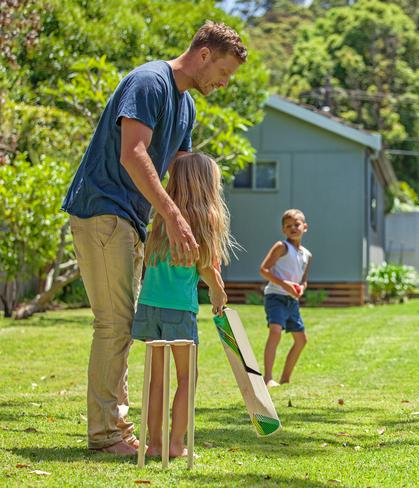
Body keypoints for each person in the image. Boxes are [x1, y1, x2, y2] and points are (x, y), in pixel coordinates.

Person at [61, 21, 247, 455]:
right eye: (224, 72)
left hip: (131, 219)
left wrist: (205, 235)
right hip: (103, 209)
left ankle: (121, 430)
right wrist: (173, 216)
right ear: (204, 55)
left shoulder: (186, 107)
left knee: (121, 323)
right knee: (114, 324)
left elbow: (183, 178)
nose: (223, 84)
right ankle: (107, 434)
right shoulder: (149, 82)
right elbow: (133, 153)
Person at [132, 153, 229, 458]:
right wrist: (217, 292)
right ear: (206, 184)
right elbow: (205, 266)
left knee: (156, 379)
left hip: (149, 306)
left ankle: (155, 444)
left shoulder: (162, 216)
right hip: (179, 310)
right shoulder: (204, 217)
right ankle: (176, 445)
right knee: (188, 378)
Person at [259, 209, 312, 387]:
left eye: (296, 225)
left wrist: (301, 289)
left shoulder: (307, 255)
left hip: (292, 301)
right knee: (275, 332)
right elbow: (264, 270)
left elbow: (303, 280)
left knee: (301, 340)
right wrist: (286, 285)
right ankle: (267, 378)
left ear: (305, 227)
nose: (293, 228)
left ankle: (285, 379)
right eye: (288, 226)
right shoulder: (281, 247)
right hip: (276, 296)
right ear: (283, 230)